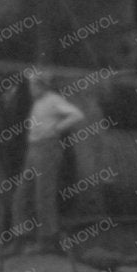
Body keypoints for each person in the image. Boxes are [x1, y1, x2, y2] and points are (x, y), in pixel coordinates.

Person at [21, 67, 88, 253]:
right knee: (24, 193)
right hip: (33, 148)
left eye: (34, 84)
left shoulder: (53, 101)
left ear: (42, 84)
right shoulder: (37, 103)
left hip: (46, 148)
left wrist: (56, 129)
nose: (31, 88)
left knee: (44, 194)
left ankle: (47, 239)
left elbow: (77, 114)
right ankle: (25, 236)